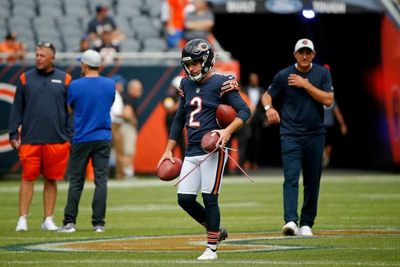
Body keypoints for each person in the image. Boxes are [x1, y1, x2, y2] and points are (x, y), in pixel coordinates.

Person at [157, 39, 251, 260]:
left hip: (212, 149)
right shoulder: (186, 84)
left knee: (210, 198)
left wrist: (226, 132)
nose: (192, 68)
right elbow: (179, 118)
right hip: (191, 149)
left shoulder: (222, 82)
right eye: (189, 64)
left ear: (207, 61)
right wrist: (168, 150)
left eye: (196, 63)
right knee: (185, 199)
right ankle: (216, 231)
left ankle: (212, 248)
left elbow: (245, 111)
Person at [261, 38, 334, 236]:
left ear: (313, 54)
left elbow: (328, 100)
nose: (304, 56)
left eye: (307, 52)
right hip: (290, 134)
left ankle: (307, 223)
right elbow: (267, 95)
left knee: (312, 180)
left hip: (315, 134)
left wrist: (305, 85)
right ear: (294, 55)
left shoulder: (322, 73)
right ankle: (291, 221)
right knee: (291, 177)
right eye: (300, 52)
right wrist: (269, 108)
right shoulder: (284, 75)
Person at [8, 42, 72, 232]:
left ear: (52, 57)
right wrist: (13, 133)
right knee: (28, 178)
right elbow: (17, 108)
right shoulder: (25, 78)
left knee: (51, 179)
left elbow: (70, 111)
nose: (38, 58)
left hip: (57, 140)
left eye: (42, 55)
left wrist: (69, 135)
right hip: (30, 139)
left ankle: (48, 219)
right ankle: (22, 219)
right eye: (36, 55)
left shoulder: (65, 79)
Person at [58, 49, 115, 233]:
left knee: (76, 181)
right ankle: (98, 224)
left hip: (82, 137)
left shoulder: (75, 85)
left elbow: (70, 108)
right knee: (101, 181)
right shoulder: (109, 84)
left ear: (84, 64)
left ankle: (69, 222)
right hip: (103, 137)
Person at [120, 79, 143, 179]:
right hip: (127, 126)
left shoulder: (128, 98)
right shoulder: (128, 98)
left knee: (127, 150)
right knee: (128, 150)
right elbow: (127, 113)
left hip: (125, 126)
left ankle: (126, 172)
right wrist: (134, 121)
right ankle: (126, 173)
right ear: (132, 88)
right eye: (138, 89)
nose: (140, 91)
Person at [242, 72, 264, 170]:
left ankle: (255, 162)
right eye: (252, 79)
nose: (253, 80)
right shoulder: (245, 90)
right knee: (246, 140)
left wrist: (265, 119)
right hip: (247, 119)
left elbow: (263, 106)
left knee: (256, 141)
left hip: (257, 120)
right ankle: (246, 162)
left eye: (255, 78)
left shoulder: (262, 90)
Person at [164, 75, 186, 157]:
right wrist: (182, 103)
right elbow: (169, 108)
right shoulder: (169, 95)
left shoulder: (179, 95)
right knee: (172, 144)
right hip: (172, 123)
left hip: (179, 122)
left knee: (182, 145)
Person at [323, 100, 348, 167]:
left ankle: (326, 158)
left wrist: (343, 125)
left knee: (329, 144)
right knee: (320, 142)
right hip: (319, 125)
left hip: (329, 125)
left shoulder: (332, 100)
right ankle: (322, 157)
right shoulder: (317, 96)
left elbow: (337, 113)